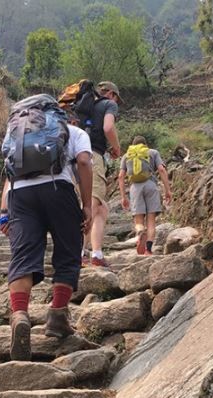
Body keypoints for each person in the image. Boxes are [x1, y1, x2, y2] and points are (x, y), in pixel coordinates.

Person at [0, 124, 94, 361]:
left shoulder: (17, 131)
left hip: (19, 194)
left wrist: (3, 211)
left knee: (22, 254)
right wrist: (87, 205)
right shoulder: (73, 131)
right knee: (68, 249)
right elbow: (83, 162)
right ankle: (57, 317)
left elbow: (9, 170)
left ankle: (20, 314)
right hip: (57, 188)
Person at [82, 81, 122, 268]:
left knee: (102, 208)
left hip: (73, 159)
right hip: (92, 157)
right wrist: (116, 147)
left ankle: (95, 252)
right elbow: (108, 128)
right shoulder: (109, 104)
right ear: (112, 94)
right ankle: (81, 253)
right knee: (92, 204)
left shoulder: (84, 107)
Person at [118, 136, 173, 255]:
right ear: (145, 145)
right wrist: (167, 190)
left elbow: (121, 176)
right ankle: (148, 249)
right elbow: (161, 170)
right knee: (151, 220)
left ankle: (140, 232)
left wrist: (123, 196)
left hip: (135, 188)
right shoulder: (153, 152)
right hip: (151, 186)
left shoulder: (127, 155)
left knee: (138, 221)